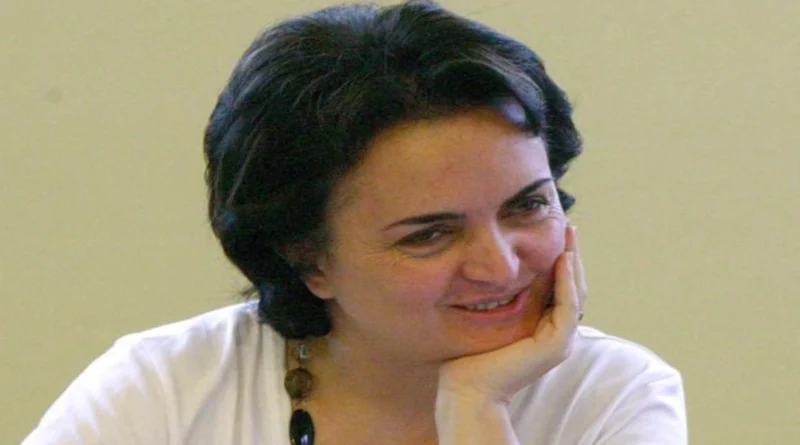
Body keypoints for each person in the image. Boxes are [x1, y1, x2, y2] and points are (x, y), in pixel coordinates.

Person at [22, 1, 687, 444]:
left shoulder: (612, 395)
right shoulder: (162, 389)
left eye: (527, 205)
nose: (501, 265)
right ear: (308, 259)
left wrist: (477, 407)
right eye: (430, 234)